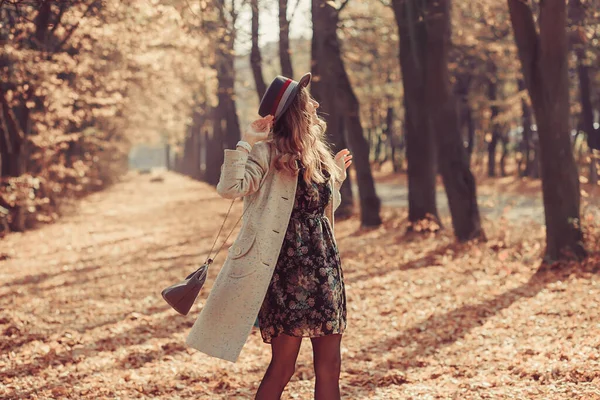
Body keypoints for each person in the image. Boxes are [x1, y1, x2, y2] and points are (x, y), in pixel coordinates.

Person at [185, 73, 352, 400]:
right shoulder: (267, 153)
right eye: (309, 100)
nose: (316, 104)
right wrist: (246, 142)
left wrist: (338, 177)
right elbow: (230, 189)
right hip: (284, 272)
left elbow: (321, 208)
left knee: (331, 365)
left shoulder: (317, 155)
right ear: (295, 110)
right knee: (284, 366)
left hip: (325, 272)